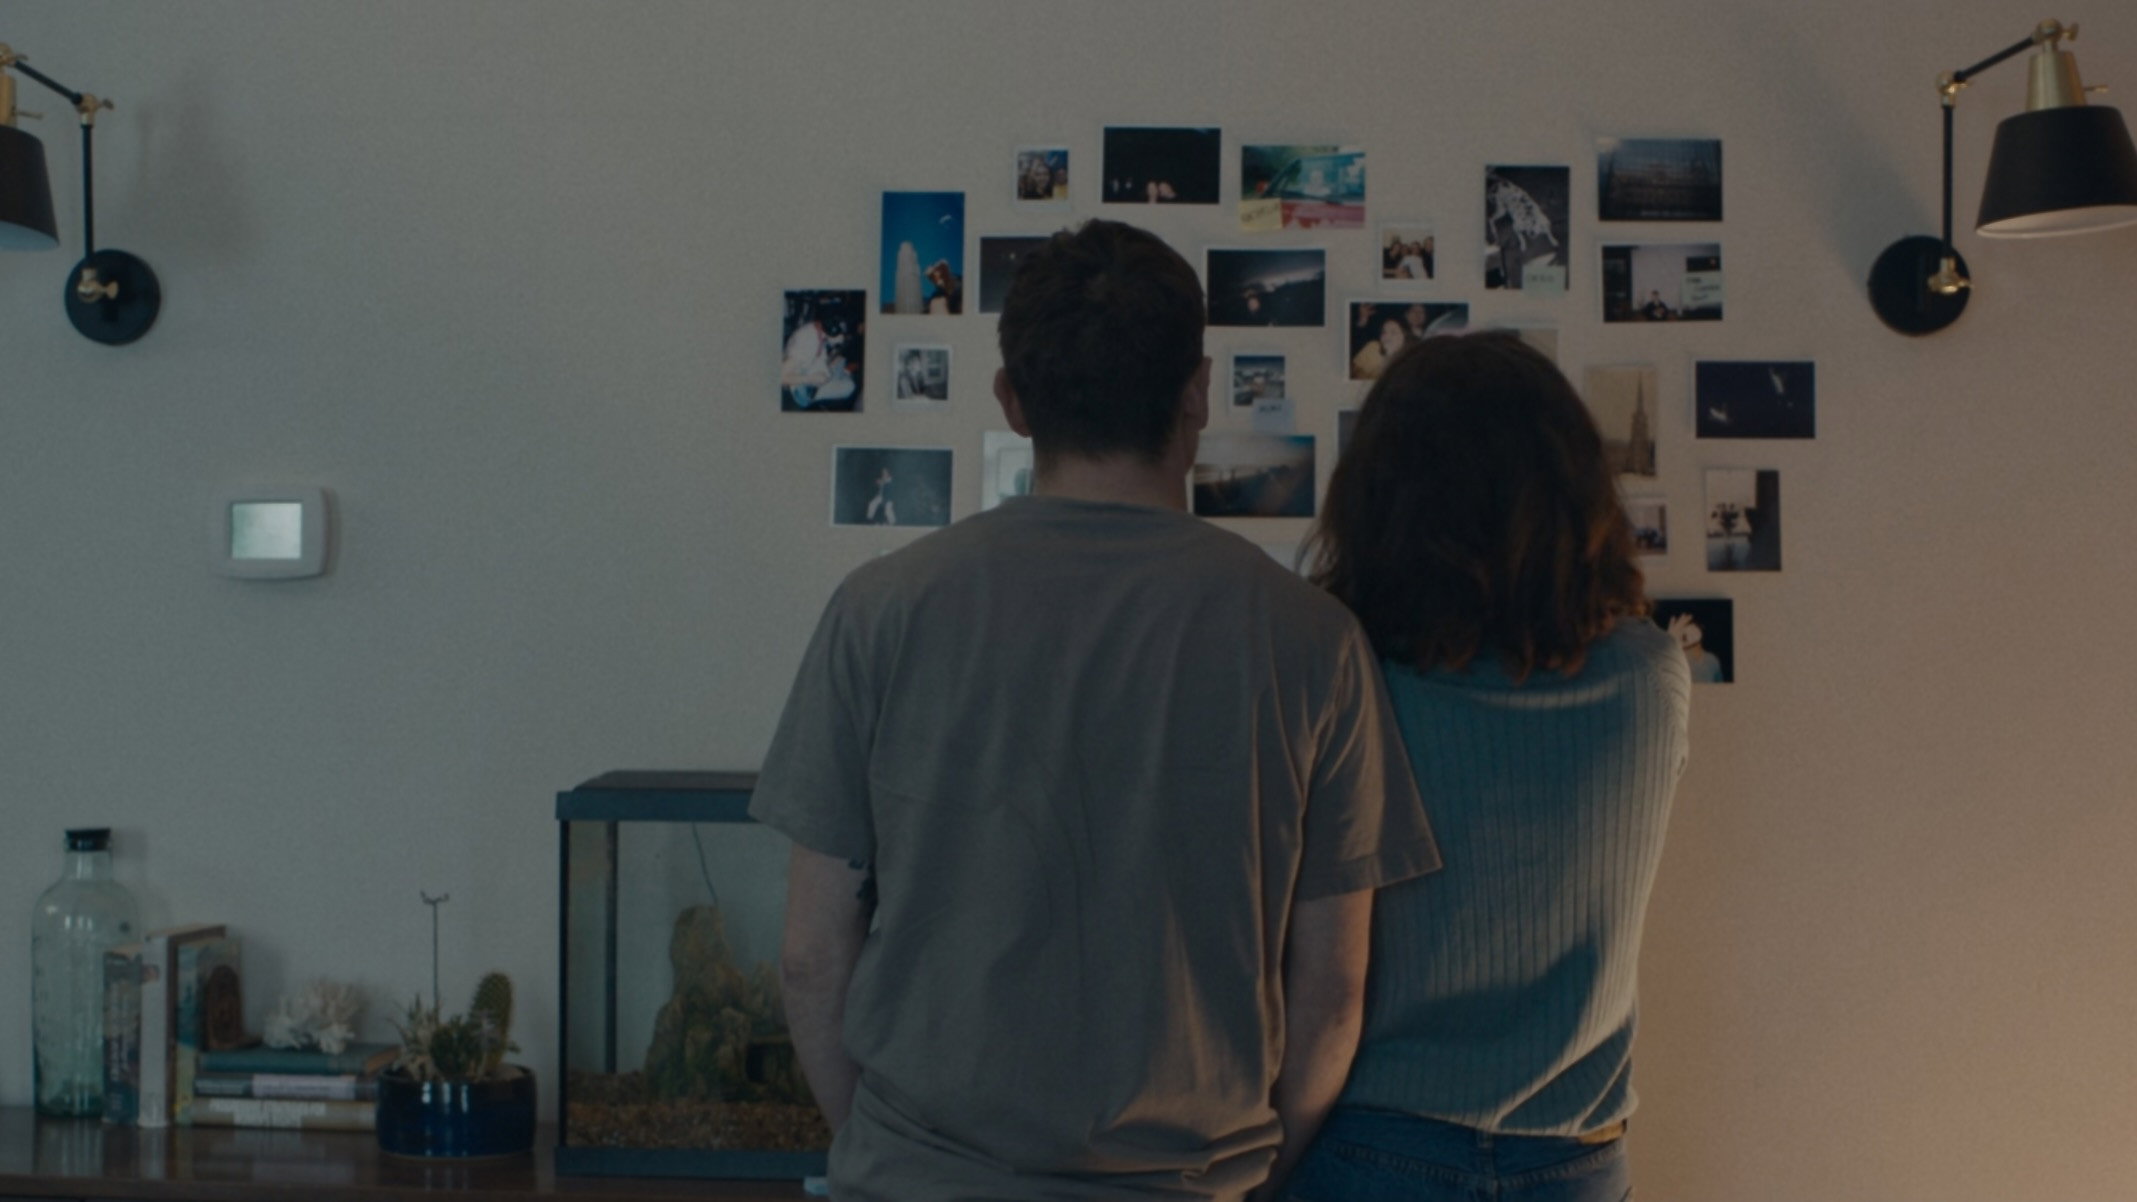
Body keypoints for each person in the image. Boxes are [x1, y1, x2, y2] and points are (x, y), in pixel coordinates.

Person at [754, 218, 1441, 1202]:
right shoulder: (1313, 640)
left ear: (1011, 399)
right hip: (1189, 1180)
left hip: (918, 1176)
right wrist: (1255, 1172)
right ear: (1198, 390)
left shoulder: (881, 609)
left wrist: (884, 1155)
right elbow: (1331, 992)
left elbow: (810, 956)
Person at [1289, 331, 1691, 1202]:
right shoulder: (1649, 676)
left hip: (1373, 1145)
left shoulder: (1345, 673)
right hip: (1573, 1160)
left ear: (1381, 498)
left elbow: (1327, 992)